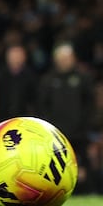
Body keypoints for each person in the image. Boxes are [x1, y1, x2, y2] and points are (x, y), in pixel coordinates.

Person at [37, 43, 95, 179]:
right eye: (61, 58)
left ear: (73, 58)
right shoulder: (48, 80)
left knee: (82, 167)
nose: (64, 61)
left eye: (67, 58)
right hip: (55, 135)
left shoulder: (83, 78)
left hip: (79, 132)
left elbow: (89, 103)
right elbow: (42, 105)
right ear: (56, 60)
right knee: (56, 168)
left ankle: (88, 187)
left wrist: (85, 123)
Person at [0, 43, 38, 121]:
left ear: (24, 57)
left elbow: (35, 100)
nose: (15, 59)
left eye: (18, 56)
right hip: (1, 117)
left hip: (24, 118)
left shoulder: (31, 76)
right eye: (12, 56)